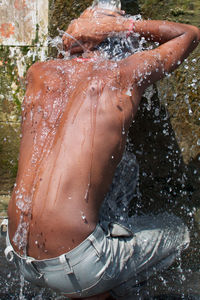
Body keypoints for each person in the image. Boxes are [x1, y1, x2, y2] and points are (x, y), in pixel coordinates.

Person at [3, 5, 200, 300]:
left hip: (18, 254)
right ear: (112, 39)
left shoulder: (39, 73)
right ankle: (97, 290)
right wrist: (118, 27)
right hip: (80, 264)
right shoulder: (120, 77)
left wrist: (81, 33)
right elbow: (190, 33)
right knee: (179, 232)